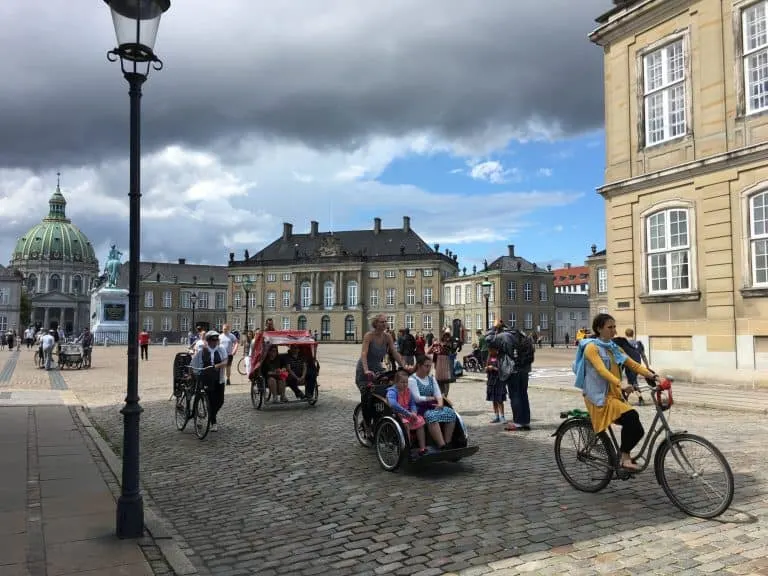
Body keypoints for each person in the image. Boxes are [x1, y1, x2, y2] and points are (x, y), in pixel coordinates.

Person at [573, 313, 659, 471]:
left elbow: (633, 364)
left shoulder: (613, 347)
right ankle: (624, 459)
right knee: (632, 417)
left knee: (637, 428)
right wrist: (621, 384)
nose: (614, 331)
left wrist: (653, 375)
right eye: (609, 327)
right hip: (599, 396)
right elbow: (601, 370)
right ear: (599, 329)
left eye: (614, 327)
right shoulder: (592, 348)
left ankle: (623, 456)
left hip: (614, 395)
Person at [356, 314, 412, 433]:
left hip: (377, 368)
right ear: (375, 323)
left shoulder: (387, 337)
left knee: (386, 390)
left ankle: (383, 419)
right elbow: (364, 354)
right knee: (368, 395)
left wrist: (404, 366)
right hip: (364, 369)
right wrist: (366, 370)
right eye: (382, 322)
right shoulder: (369, 336)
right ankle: (367, 424)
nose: (384, 324)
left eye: (385, 322)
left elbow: (394, 353)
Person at [485, 320, 534, 432]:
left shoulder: (503, 336)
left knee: (515, 395)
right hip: (524, 369)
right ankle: (524, 421)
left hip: (513, 369)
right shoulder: (519, 333)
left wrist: (493, 327)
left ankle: (517, 423)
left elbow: (488, 339)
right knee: (523, 394)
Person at [407, 355, 457, 449]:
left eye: (430, 366)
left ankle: (448, 442)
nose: (429, 369)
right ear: (419, 366)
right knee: (431, 416)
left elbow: (438, 393)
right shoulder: (412, 380)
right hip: (419, 408)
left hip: (433, 405)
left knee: (451, 413)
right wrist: (430, 398)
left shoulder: (431, 378)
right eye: (426, 366)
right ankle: (441, 445)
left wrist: (440, 404)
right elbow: (417, 398)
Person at [189, 331, 228, 432]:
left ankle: (211, 415)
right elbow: (194, 362)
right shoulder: (203, 350)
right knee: (210, 401)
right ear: (208, 341)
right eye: (212, 340)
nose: (215, 342)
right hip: (206, 379)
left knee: (220, 401)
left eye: (216, 339)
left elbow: (225, 361)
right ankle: (213, 422)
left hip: (219, 378)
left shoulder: (221, 349)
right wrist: (192, 372)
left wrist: (217, 366)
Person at [386, 369, 427, 455]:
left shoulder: (408, 391)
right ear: (396, 382)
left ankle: (422, 447)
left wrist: (414, 413)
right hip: (396, 414)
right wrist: (408, 413)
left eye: (406, 382)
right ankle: (407, 447)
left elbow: (412, 403)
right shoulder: (392, 391)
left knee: (420, 421)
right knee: (405, 424)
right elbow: (393, 404)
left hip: (408, 413)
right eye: (402, 382)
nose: (405, 384)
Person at [616, 328, 649, 406]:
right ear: (633, 334)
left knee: (632, 382)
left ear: (626, 334)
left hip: (629, 365)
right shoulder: (639, 343)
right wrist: (647, 366)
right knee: (631, 381)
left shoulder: (624, 343)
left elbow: (620, 355)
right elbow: (643, 355)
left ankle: (640, 399)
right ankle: (625, 398)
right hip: (638, 365)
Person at [429, 329, 455, 396]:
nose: (447, 339)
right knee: (439, 381)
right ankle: (441, 395)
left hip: (444, 363)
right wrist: (433, 345)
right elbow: (429, 352)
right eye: (445, 337)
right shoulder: (438, 345)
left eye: (448, 337)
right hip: (439, 363)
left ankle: (444, 395)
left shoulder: (448, 345)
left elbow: (451, 349)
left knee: (445, 381)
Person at [485, 345, 506, 423]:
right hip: (491, 381)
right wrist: (487, 368)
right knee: (493, 400)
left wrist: (494, 368)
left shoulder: (500, 357)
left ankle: (502, 416)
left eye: (491, 350)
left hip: (499, 380)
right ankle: (496, 416)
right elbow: (486, 369)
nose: (490, 352)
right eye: (489, 350)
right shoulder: (489, 357)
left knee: (500, 400)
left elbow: (503, 370)